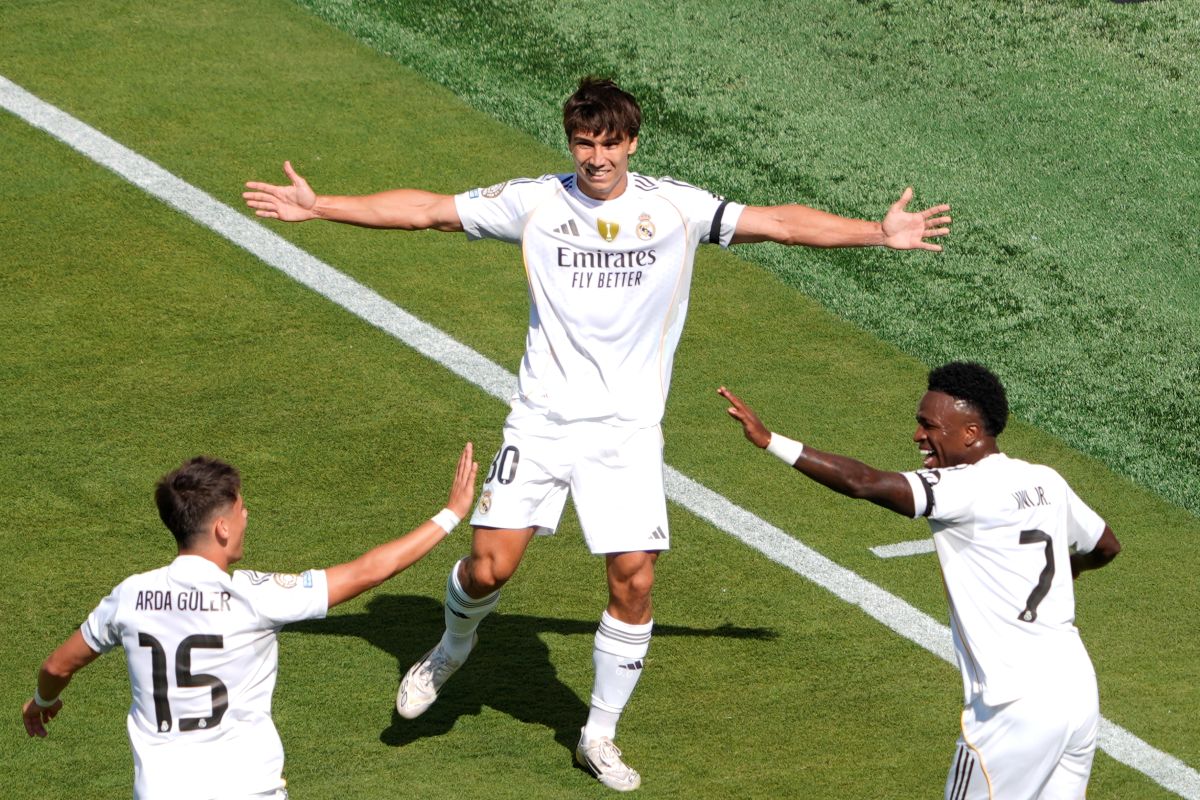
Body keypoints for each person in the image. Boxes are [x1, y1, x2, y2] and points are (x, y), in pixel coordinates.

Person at [242, 76, 951, 791]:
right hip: (542, 420)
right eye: (584, 143)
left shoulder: (675, 207)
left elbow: (782, 222)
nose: (596, 158)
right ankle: (451, 648)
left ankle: (598, 734)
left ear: (632, 144)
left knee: (634, 581)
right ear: (571, 142)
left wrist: (878, 233)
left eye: (609, 144)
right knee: (489, 567)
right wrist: (321, 205)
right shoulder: (536, 202)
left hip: (627, 433)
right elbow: (428, 211)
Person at [720, 362, 1121, 799]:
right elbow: (1106, 547)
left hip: (1012, 709)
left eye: (928, 425)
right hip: (1076, 692)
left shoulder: (963, 488)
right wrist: (1071, 569)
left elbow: (862, 482)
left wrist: (769, 440)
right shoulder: (1045, 480)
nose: (917, 436)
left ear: (970, 432)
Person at [22, 444, 477, 800]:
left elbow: (59, 666)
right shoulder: (251, 596)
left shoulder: (130, 596)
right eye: (240, 509)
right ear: (220, 528)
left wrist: (42, 701)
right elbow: (367, 571)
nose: (246, 516)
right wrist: (451, 513)